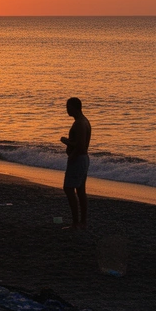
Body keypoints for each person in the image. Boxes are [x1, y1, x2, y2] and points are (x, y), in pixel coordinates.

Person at [60, 97, 91, 230]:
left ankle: (76, 223)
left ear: (74, 107)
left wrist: (67, 144)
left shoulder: (79, 123)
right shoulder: (85, 121)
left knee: (68, 188)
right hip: (83, 159)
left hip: (78, 159)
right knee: (80, 190)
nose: (67, 109)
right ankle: (82, 222)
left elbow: (80, 146)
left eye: (68, 107)